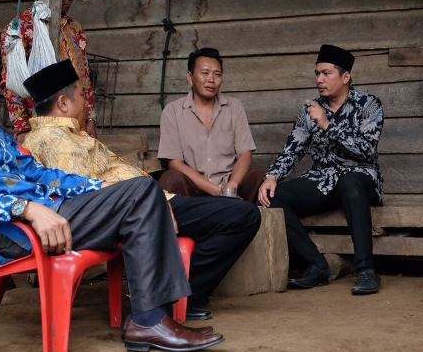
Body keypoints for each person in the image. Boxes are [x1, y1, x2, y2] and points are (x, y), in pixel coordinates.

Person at [0, 14, 222, 352]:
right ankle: (149, 321)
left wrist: (100, 190)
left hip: (49, 214)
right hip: (9, 233)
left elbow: (39, 174)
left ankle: (151, 319)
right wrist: (28, 209)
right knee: (143, 192)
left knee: (139, 193)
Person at [22, 60, 261, 320]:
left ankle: (177, 293)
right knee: (242, 216)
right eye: (81, 95)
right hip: (137, 209)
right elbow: (88, 196)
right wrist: (152, 201)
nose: (87, 104)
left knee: (240, 213)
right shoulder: (55, 140)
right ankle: (177, 298)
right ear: (64, 104)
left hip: (146, 201)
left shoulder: (72, 135)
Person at [258, 44, 384, 295]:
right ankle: (317, 266)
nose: (319, 80)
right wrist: (272, 175)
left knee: (351, 182)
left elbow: (366, 150)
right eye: (317, 73)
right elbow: (293, 148)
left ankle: (366, 270)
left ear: (345, 77)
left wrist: (327, 124)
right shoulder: (310, 109)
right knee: (275, 197)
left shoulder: (369, 104)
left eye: (326, 73)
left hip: (361, 177)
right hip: (323, 179)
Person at [0, 0, 98, 141]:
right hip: (40, 130)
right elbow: (11, 85)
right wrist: (22, 129)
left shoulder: (74, 28)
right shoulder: (19, 30)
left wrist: (90, 118)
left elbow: (84, 77)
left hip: (78, 127)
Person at [158, 48, 263, 203]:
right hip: (192, 189)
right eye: (205, 73)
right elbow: (175, 163)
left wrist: (232, 185)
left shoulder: (234, 107)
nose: (211, 80)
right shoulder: (172, 111)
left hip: (230, 189)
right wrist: (211, 189)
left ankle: (244, 217)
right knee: (170, 178)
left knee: (261, 178)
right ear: (190, 77)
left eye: (217, 74)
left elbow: (245, 153)